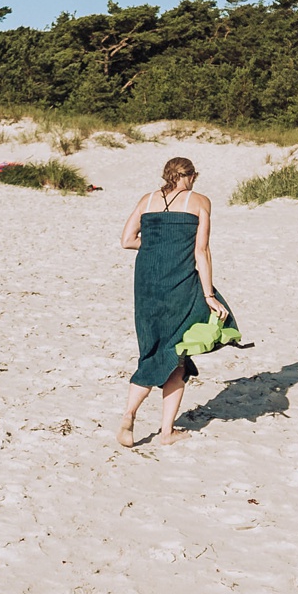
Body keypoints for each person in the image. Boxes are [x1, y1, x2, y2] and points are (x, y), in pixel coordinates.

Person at [117, 157, 233, 447]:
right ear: (191, 176)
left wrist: (159, 245)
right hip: (179, 281)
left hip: (145, 283)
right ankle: (161, 429)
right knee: (176, 348)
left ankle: (133, 418)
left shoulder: (147, 200)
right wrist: (208, 294)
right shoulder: (199, 201)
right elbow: (202, 251)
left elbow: (127, 240)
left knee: (153, 347)